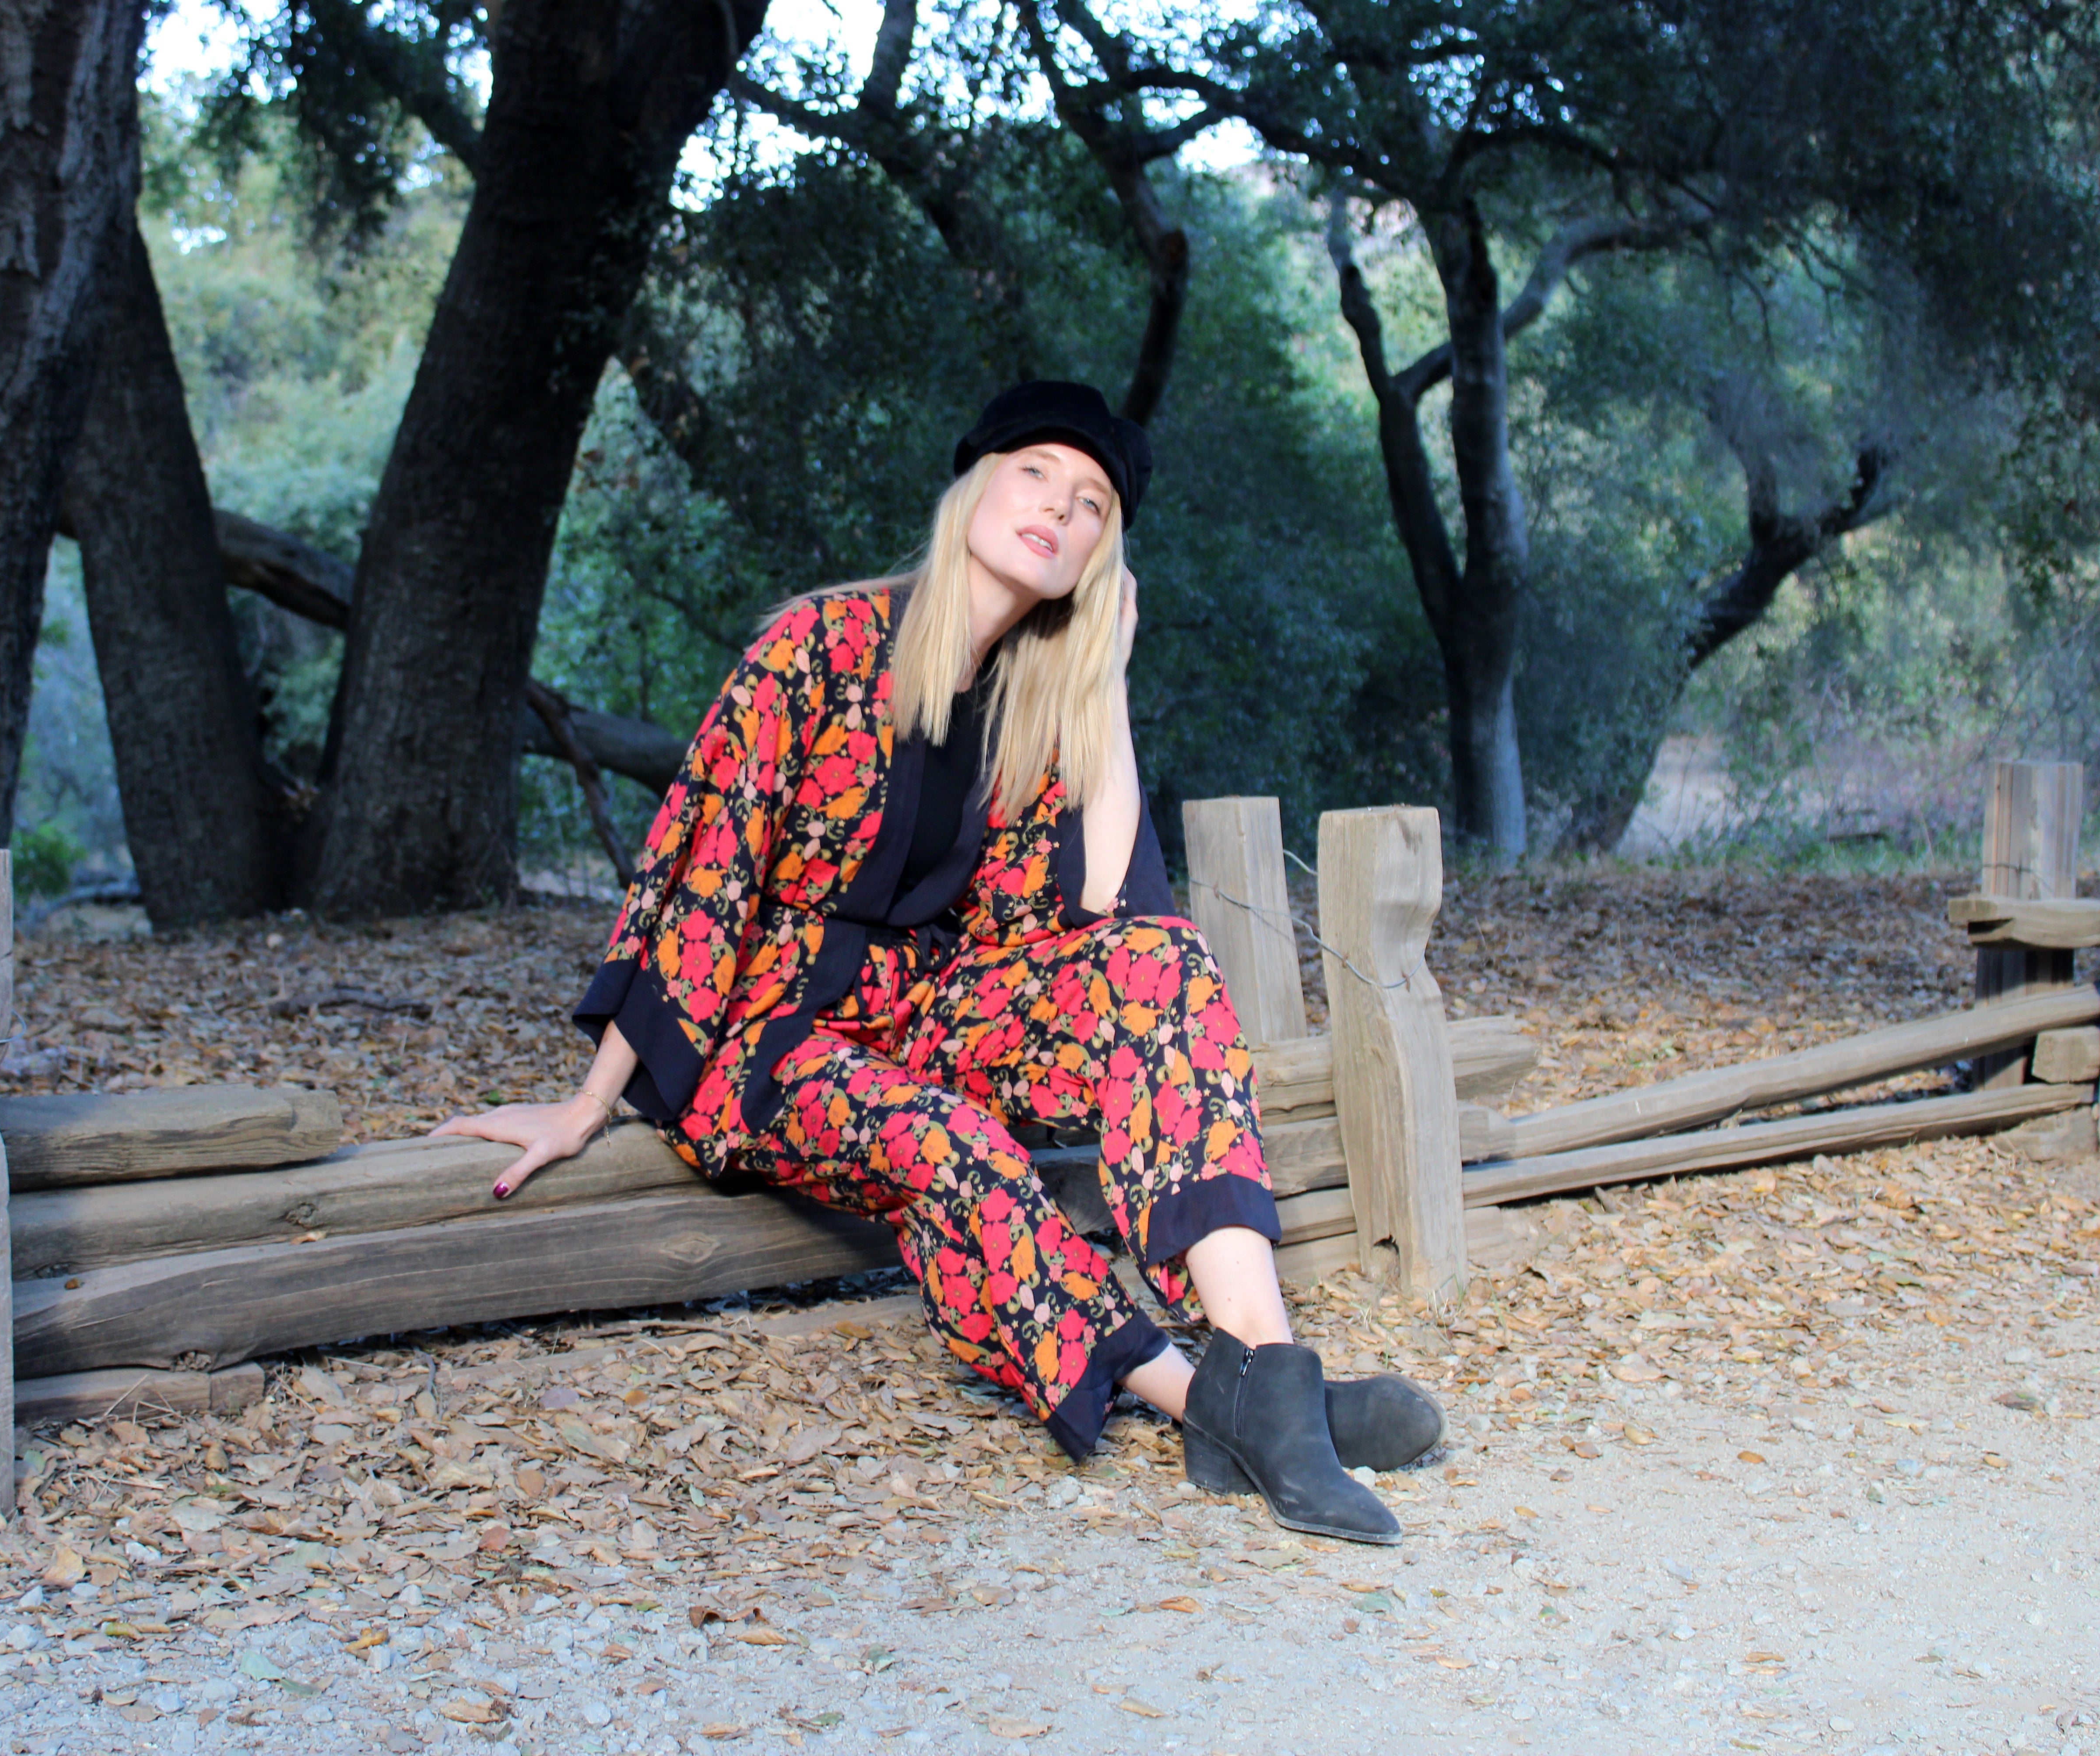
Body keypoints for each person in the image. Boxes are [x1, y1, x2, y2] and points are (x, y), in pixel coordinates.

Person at [431, 382, 1441, 1543]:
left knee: (1162, 965)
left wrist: (1106, 677)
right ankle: (1216, 1407)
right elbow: (705, 874)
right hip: (769, 1044)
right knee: (953, 1143)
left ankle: (1267, 1367)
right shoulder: (817, 647)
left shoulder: (1030, 700)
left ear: (1101, 557)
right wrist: (587, 1101)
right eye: (1035, 475)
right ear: (974, 487)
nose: (1058, 509)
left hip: (927, 1017)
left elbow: (1102, 908)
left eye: (1091, 505)